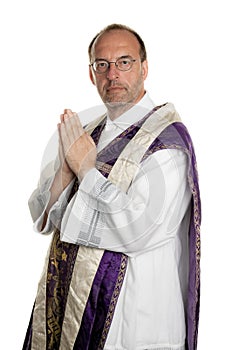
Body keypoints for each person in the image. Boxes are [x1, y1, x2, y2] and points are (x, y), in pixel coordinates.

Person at [23, 24, 201, 350]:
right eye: (101, 65)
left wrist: (86, 171)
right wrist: (65, 170)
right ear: (91, 74)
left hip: (133, 320)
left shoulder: (167, 144)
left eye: (124, 62)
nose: (112, 74)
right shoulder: (87, 133)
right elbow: (45, 219)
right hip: (72, 308)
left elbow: (138, 231)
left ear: (144, 69)